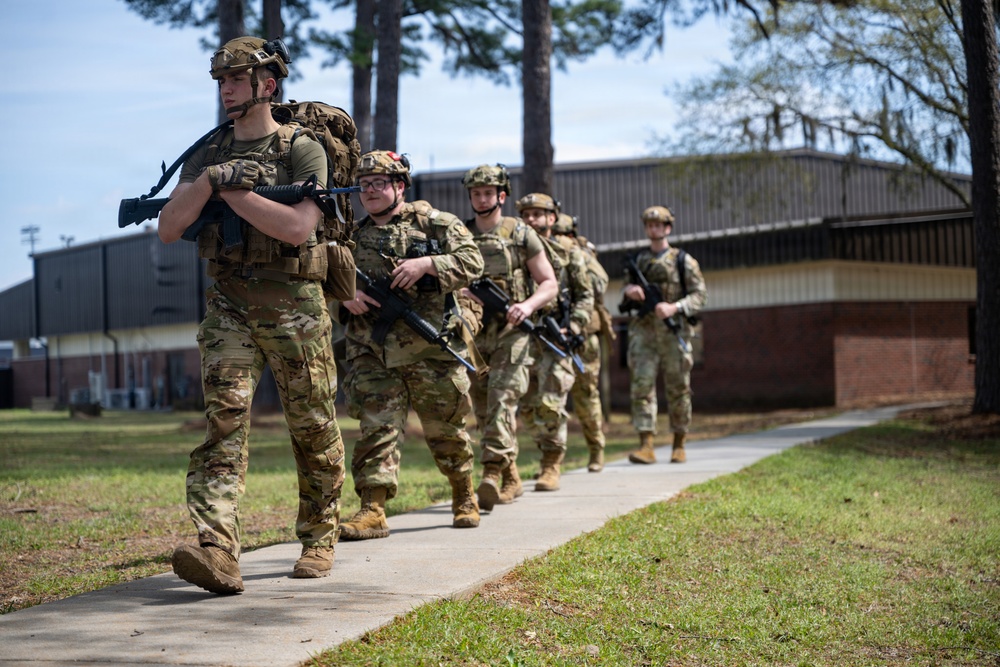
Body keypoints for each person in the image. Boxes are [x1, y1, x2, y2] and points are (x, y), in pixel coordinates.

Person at [158, 37, 346, 593]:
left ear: (268, 84)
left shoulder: (303, 148)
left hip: (296, 309)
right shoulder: (208, 152)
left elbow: (297, 228)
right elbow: (168, 228)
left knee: (311, 424)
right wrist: (215, 179)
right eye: (220, 81)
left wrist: (232, 191)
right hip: (229, 306)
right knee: (223, 423)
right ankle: (217, 548)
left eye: (236, 79)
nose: (226, 89)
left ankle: (319, 536)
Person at [339, 150, 485, 539]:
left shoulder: (435, 223)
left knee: (446, 430)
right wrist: (345, 294)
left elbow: (473, 262)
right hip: (372, 349)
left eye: (379, 184)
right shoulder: (351, 236)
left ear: (399, 186)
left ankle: (463, 493)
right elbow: (324, 275)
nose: (369, 191)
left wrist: (428, 265)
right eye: (364, 185)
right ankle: (372, 509)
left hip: (430, 348)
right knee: (376, 429)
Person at [458, 165, 558, 510]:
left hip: (513, 331)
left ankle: (490, 473)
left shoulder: (520, 233)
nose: (482, 198)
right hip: (474, 333)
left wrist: (527, 307)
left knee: (502, 398)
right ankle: (512, 476)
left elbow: (549, 283)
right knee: (484, 409)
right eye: (476, 193)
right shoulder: (460, 234)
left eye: (488, 192)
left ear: (502, 195)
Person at [515, 194, 593, 491]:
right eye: (526, 214)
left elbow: (586, 296)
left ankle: (551, 465)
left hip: (557, 338)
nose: (532, 219)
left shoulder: (570, 254)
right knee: (527, 409)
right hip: (523, 337)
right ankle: (544, 451)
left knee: (550, 404)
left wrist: (573, 326)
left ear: (552, 218)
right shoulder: (516, 252)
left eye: (538, 214)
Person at [621, 205, 707, 465]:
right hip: (643, 332)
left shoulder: (684, 261)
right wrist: (631, 291)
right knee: (641, 386)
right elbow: (625, 290)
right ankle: (646, 444)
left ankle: (679, 443)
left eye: (658, 224)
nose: (653, 229)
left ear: (668, 227)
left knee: (678, 387)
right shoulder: (638, 261)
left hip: (674, 331)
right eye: (649, 225)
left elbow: (700, 295)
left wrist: (675, 307)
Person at [552, 212, 615, 472]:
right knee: (551, 396)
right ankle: (552, 460)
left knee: (586, 393)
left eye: (562, 235)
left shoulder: (583, 253)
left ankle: (596, 449)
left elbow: (600, 285)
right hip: (553, 333)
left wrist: (581, 264)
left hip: (584, 335)